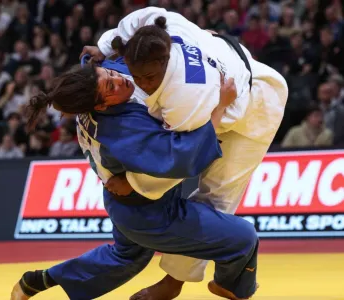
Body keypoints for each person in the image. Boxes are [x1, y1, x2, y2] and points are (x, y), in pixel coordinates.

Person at [80, 7, 288, 300]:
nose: (140, 83)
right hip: (229, 61)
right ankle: (182, 281)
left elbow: (180, 161)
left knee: (218, 196)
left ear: (165, 62)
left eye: (150, 77)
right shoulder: (157, 26)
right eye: (135, 73)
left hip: (255, 104)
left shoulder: (185, 97)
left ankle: (177, 283)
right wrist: (103, 47)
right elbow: (132, 25)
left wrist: (134, 184)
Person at [10, 58, 258, 300]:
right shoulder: (122, 128)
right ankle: (234, 287)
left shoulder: (97, 79)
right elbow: (184, 158)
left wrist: (102, 49)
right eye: (110, 86)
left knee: (125, 258)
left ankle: (40, 280)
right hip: (149, 214)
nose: (119, 80)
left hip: (121, 201)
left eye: (110, 75)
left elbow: (104, 55)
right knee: (243, 239)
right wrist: (222, 106)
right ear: (100, 106)